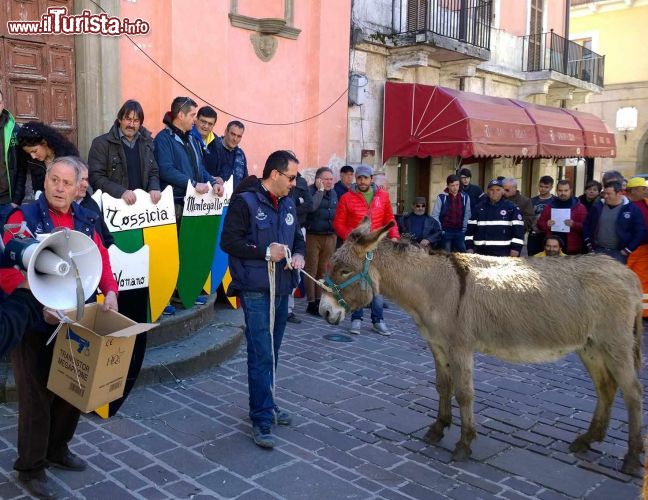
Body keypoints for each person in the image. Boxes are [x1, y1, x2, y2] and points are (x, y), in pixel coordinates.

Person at [1, 156, 118, 499]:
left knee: (72, 387)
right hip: (33, 321)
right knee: (35, 396)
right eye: (55, 180)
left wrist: (110, 290)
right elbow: (8, 266)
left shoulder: (85, 218)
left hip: (73, 317)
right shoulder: (22, 217)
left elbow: (99, 258)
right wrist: (36, 303)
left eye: (68, 183)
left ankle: (57, 449)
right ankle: (31, 466)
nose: (60, 188)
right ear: (46, 180)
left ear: (79, 186)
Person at [220, 150, 305, 449]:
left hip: (283, 287)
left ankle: (267, 403)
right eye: (291, 177)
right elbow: (229, 242)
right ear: (275, 175)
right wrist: (266, 251)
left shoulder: (289, 202)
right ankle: (261, 418)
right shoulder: (245, 202)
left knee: (274, 350)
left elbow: (297, 238)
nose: (295, 183)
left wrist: (298, 255)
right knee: (261, 353)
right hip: (255, 289)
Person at [333, 164, 399, 336]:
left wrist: (394, 236)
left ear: (371, 179)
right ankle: (356, 318)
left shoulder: (382, 196)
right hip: (357, 249)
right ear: (356, 179)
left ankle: (378, 320)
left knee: (377, 284)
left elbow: (389, 218)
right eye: (359, 178)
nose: (362, 181)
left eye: (365, 178)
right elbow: (338, 223)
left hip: (377, 247)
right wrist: (353, 237)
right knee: (358, 283)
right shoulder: (347, 198)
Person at [154, 97, 224, 211]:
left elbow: (200, 168)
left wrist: (213, 182)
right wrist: (194, 184)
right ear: (181, 115)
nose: (195, 120)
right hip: (174, 206)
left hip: (195, 205)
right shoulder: (163, 138)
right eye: (192, 115)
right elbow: (166, 170)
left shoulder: (193, 138)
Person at [87, 99, 161, 205]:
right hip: (113, 209)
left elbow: (153, 171)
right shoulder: (101, 144)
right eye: (128, 119)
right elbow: (95, 177)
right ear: (120, 119)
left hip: (142, 209)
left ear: (140, 123)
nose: (131, 124)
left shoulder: (146, 143)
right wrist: (121, 192)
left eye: (136, 121)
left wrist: (154, 187)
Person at [583, 180, 646, 264]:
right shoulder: (597, 207)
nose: (605, 196)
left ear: (619, 193)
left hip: (619, 253)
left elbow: (640, 232)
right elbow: (587, 224)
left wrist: (627, 250)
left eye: (609, 194)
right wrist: (589, 244)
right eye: (604, 193)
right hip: (597, 251)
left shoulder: (632, 209)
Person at [304, 167, 337, 316]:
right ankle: (311, 302)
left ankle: (319, 300)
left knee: (323, 270)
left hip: (329, 236)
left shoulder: (334, 193)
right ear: (318, 180)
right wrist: (320, 190)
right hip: (313, 236)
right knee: (311, 269)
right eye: (326, 179)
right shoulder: (311, 191)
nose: (329, 182)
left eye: (331, 179)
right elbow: (312, 207)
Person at [465, 179, 524, 257]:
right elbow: (469, 231)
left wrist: (516, 249)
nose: (494, 192)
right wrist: (469, 247)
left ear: (503, 191)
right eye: (491, 190)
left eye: (498, 190)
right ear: (487, 191)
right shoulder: (479, 208)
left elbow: (519, 232)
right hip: (480, 253)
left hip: (504, 254)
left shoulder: (511, 208)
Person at [17, 122, 78, 197]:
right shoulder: (32, 160)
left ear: (44, 143)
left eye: (34, 151)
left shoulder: (67, 156)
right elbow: (37, 187)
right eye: (29, 153)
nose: (33, 156)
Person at [286, 171, 312, 323]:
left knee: (295, 271)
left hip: (298, 227)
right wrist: (297, 202)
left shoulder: (301, 183)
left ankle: (288, 309)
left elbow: (309, 204)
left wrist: (293, 209)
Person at [536, 180, 587, 255]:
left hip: (572, 248)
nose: (563, 193)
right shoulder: (549, 206)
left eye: (566, 190)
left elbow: (586, 228)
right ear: (556, 191)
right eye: (560, 190)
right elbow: (539, 224)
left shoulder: (580, 207)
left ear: (571, 190)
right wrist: (546, 224)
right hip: (551, 248)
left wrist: (574, 224)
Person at [75, 160, 114, 248]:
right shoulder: (61, 208)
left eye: (86, 179)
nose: (86, 185)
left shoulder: (91, 204)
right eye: (81, 179)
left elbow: (107, 238)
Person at [0, 88, 28, 209]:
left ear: (3, 104)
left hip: (7, 201)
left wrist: (17, 199)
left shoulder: (14, 130)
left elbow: (22, 167)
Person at [625, 177, 648, 316]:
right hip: (629, 248)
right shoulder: (625, 204)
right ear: (633, 190)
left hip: (643, 249)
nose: (645, 191)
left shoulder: (645, 204)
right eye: (643, 188)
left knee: (642, 280)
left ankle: (642, 312)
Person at [431, 174, 470, 252]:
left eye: (457, 185)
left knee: (463, 254)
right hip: (446, 231)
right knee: (446, 255)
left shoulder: (465, 197)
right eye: (452, 185)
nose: (455, 187)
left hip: (459, 231)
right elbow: (435, 215)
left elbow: (467, 214)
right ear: (447, 186)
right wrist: (441, 230)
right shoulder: (442, 197)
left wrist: (464, 229)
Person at [210, 120, 248, 189]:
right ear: (225, 132)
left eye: (239, 136)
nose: (235, 139)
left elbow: (245, 181)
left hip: (234, 198)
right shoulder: (213, 146)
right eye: (233, 134)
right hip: (212, 196)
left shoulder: (241, 155)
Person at [528, 175, 555, 256]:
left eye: (546, 187)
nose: (543, 189)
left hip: (549, 235)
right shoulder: (531, 201)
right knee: (532, 259)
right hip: (534, 234)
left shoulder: (555, 201)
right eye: (541, 186)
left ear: (551, 187)